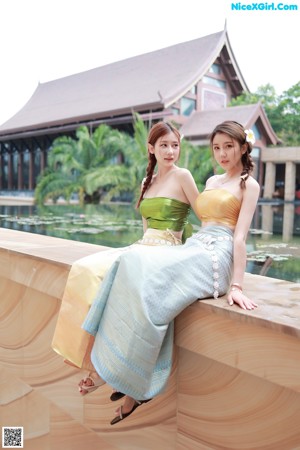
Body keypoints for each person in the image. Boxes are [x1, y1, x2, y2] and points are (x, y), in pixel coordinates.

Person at [81, 120, 260, 425]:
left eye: (229, 146)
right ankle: (125, 376)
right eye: (217, 147)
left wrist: (238, 285)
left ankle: (125, 381)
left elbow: (240, 237)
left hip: (218, 254)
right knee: (134, 265)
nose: (223, 154)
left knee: (155, 283)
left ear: (244, 147)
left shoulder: (248, 185)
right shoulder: (212, 182)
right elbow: (198, 221)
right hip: (196, 245)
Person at [51, 120, 199, 393]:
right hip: (142, 247)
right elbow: (145, 230)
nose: (170, 151)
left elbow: (206, 217)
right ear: (151, 148)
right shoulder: (148, 181)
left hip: (166, 251)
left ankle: (103, 370)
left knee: (124, 279)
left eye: (175, 145)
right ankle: (81, 355)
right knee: (85, 269)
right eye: (164, 145)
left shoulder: (183, 176)